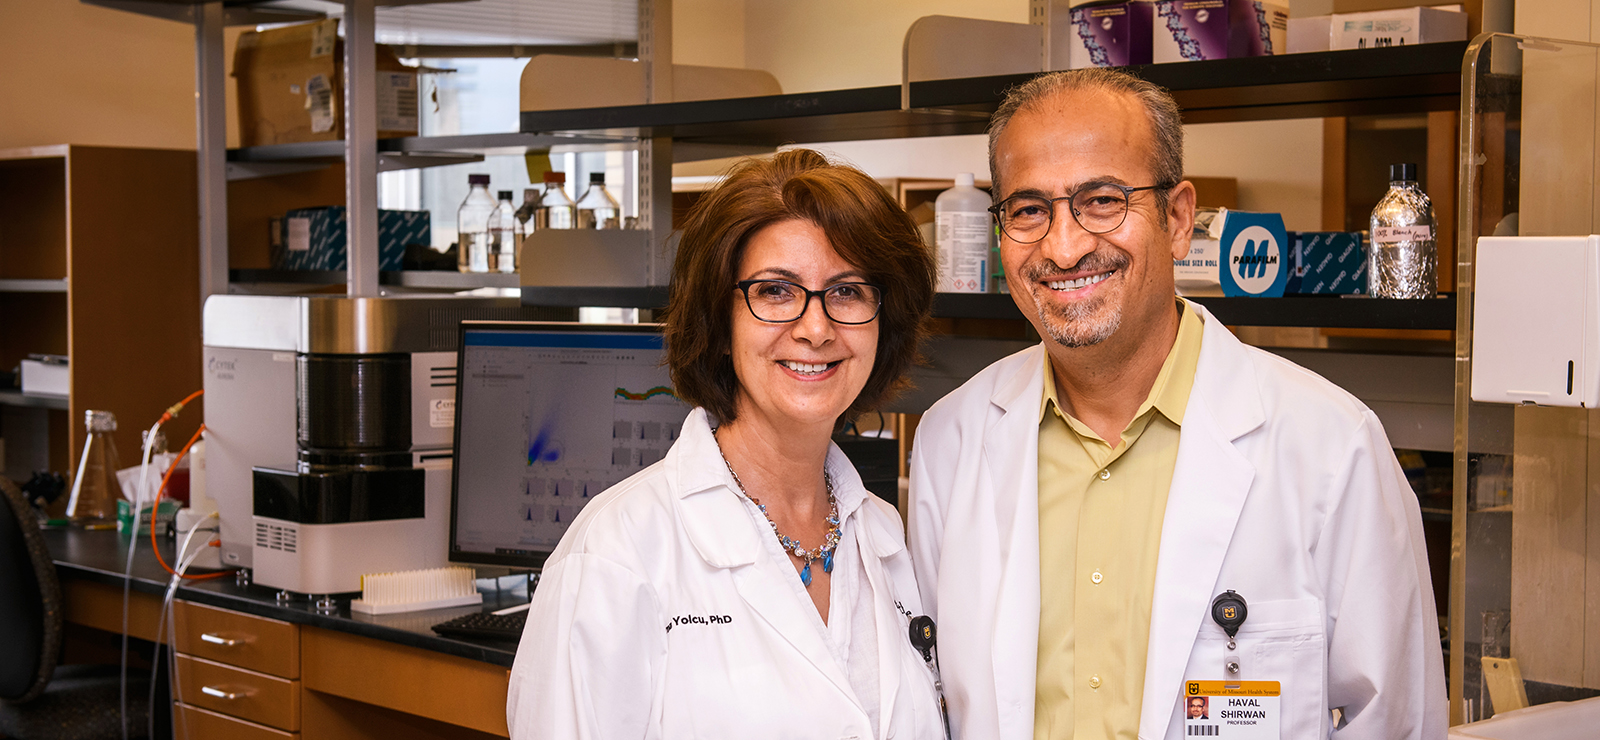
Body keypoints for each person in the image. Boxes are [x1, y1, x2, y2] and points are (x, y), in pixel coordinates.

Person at [907, 68, 1447, 740]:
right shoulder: (950, 442)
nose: (1064, 245)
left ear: (1178, 218)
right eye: (1028, 209)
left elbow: (1396, 721)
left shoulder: (1333, 446)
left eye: (1102, 200)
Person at [507, 149, 945, 739]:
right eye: (775, 292)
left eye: (847, 292)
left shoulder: (885, 539)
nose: (816, 328)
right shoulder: (617, 552)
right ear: (720, 320)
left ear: (882, 320)